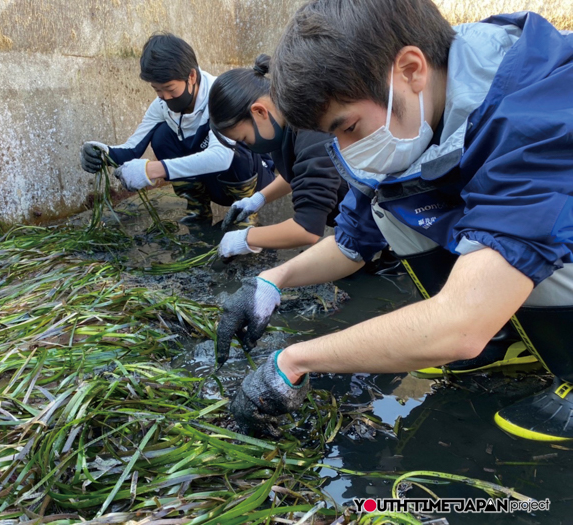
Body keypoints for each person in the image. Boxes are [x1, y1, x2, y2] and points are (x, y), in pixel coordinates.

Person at [220, 0, 573, 441]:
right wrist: (270, 281)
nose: (345, 151)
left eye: (347, 127)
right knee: (393, 209)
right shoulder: (414, 117)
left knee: (534, 248)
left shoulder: (536, 114)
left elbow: (460, 323)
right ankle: (501, 342)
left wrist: (294, 360)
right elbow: (351, 243)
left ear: (410, 69)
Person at [80, 33, 275, 223]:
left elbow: (221, 157)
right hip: (212, 183)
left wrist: (153, 170)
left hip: (255, 181)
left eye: (170, 89)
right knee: (161, 136)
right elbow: (132, 148)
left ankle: (244, 215)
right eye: (157, 89)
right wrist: (101, 153)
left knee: (231, 144)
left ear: (191, 76)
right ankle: (197, 211)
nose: (164, 96)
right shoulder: (161, 105)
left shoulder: (219, 93)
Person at [207, 54, 349, 258]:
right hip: (353, 219)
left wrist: (246, 237)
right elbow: (301, 173)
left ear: (259, 111)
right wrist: (258, 199)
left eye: (245, 138)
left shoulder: (311, 128)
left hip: (380, 219)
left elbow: (307, 228)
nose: (248, 146)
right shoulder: (283, 124)